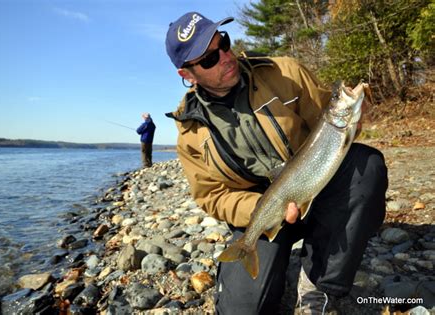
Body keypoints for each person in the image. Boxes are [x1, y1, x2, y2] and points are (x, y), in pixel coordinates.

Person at [165, 12, 388, 314]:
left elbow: (327, 121)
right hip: (264, 211)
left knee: (367, 166)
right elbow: (212, 196)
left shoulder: (285, 73)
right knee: (243, 310)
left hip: (314, 181)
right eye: (209, 59)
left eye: (225, 44)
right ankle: (254, 260)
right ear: (187, 75)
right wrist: (262, 209)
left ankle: (318, 287)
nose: (226, 58)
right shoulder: (190, 134)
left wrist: (354, 118)